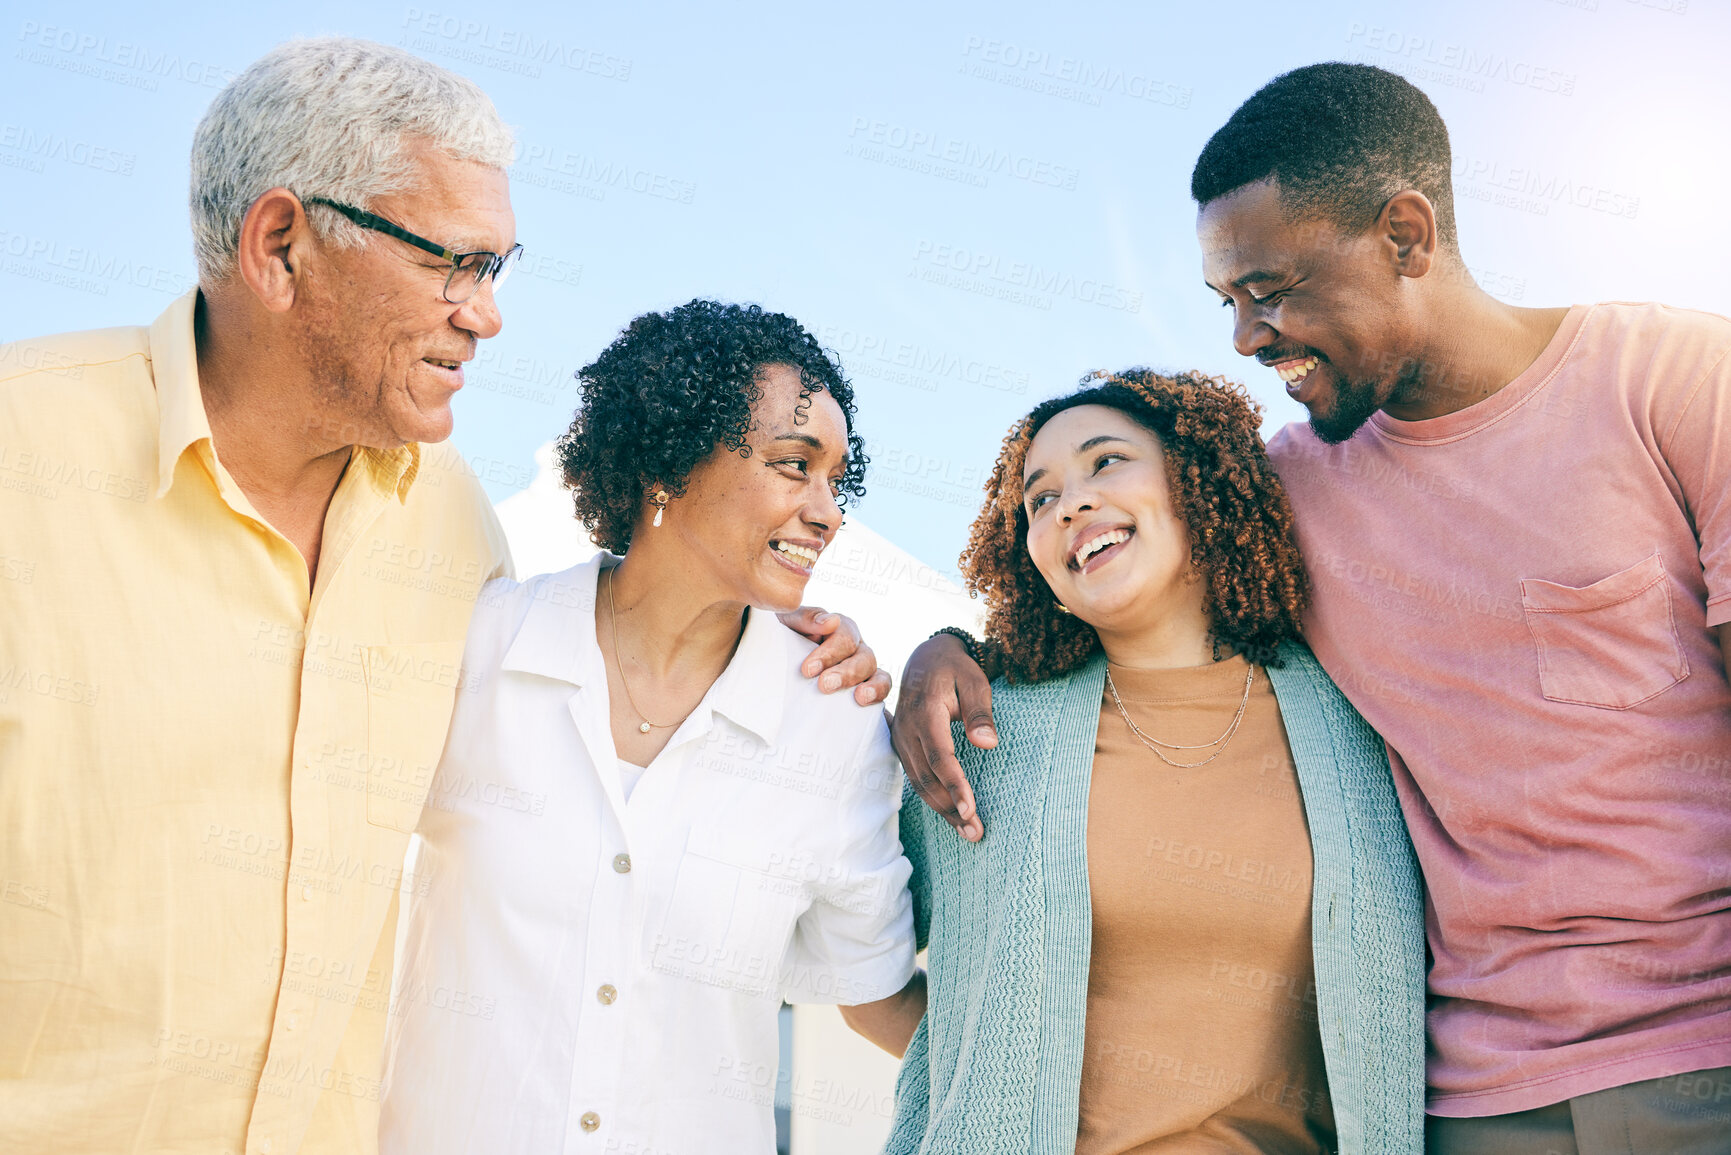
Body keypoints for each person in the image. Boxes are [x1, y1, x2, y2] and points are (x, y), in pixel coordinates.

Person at [0, 40, 884, 1155]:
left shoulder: (456, 535)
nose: (487, 316)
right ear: (282, 246)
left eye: (497, 269)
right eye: (453, 264)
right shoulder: (19, 457)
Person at [896, 62, 1731, 1153]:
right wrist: (947, 646)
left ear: (1406, 236)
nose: (1246, 336)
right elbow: (1120, 568)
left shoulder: (1674, 378)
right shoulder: (1289, 494)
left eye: (1274, 289)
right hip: (1466, 1096)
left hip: (1704, 1051)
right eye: (1228, 302)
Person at [378, 300, 925, 1154]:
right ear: (668, 463)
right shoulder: (479, 646)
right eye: (793, 465)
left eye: (834, 479)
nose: (827, 511)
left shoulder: (834, 724)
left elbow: (877, 993)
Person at [859, 370, 1424, 1153]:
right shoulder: (984, 736)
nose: (1070, 503)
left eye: (1105, 461)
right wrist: (994, 1072)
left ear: (1197, 482)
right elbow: (859, 973)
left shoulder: (1358, 713)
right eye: (1039, 498)